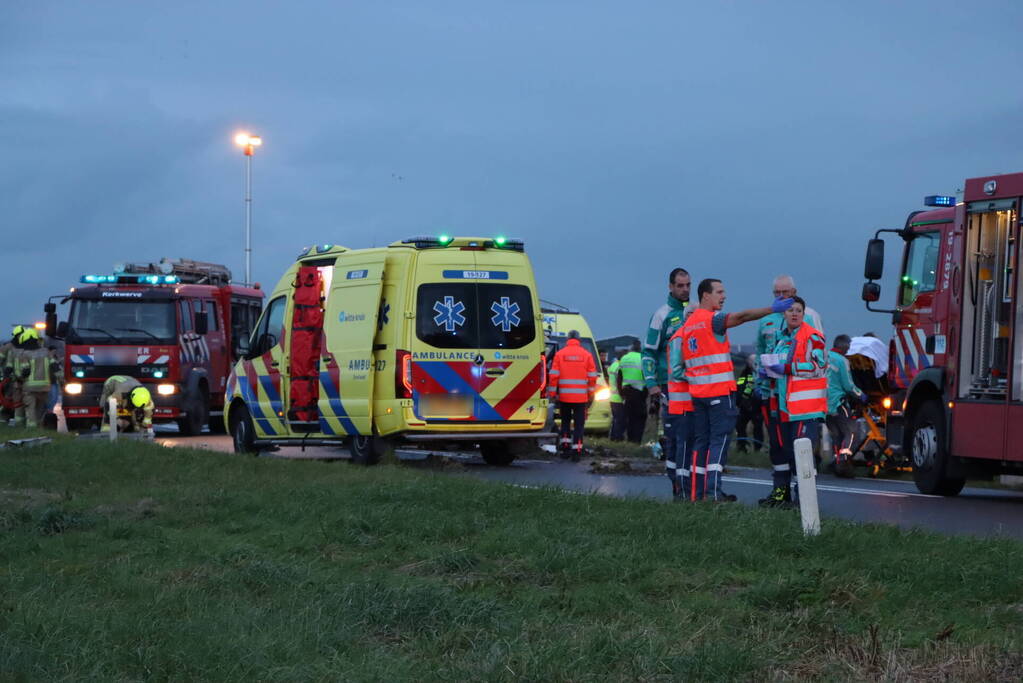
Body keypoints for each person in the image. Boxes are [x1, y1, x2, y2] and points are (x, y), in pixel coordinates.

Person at [681, 278, 793, 501]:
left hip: (698, 394)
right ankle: (713, 493)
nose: (724, 296)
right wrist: (772, 309)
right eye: (720, 292)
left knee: (701, 443)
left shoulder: (689, 325)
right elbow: (740, 317)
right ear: (705, 296)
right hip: (718, 392)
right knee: (719, 442)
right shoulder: (711, 319)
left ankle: (697, 492)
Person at [759, 297, 828, 508]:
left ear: (804, 313)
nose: (794, 314)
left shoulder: (812, 336)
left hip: (804, 409)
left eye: (798, 310)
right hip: (783, 406)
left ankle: (805, 499)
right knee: (782, 451)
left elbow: (820, 366)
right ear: (784, 314)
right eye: (790, 310)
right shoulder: (781, 339)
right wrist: (767, 372)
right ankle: (781, 494)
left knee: (802, 454)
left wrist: (789, 368)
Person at [642, 268, 691, 491]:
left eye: (688, 285)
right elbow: (648, 352)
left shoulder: (695, 312)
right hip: (669, 385)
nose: (685, 290)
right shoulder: (661, 315)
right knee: (673, 434)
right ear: (670, 287)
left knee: (692, 434)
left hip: (695, 385)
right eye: (680, 286)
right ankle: (676, 482)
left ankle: (691, 482)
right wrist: (652, 384)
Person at [547, 330, 597, 461]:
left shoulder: (559, 354)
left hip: (564, 397)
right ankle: (577, 449)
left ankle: (565, 447)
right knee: (579, 424)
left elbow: (553, 376)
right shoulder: (587, 355)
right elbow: (592, 377)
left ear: (568, 339)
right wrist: (590, 392)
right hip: (581, 398)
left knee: (565, 422)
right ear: (579, 339)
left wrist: (552, 393)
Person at [826, 334, 867, 478]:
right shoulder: (842, 361)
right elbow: (848, 385)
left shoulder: (824, 358)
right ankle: (843, 462)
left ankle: (835, 461)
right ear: (843, 346)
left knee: (836, 435)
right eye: (848, 346)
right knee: (851, 432)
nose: (849, 349)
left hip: (824, 405)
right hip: (838, 403)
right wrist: (861, 395)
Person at [618, 340, 647, 443]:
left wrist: (621, 393)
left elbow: (619, 377)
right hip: (639, 392)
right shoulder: (642, 358)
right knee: (640, 418)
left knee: (630, 418)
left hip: (627, 392)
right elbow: (647, 375)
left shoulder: (624, 358)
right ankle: (637, 440)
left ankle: (630, 440)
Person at [734, 356, 763, 453]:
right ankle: (742, 447)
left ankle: (758, 448)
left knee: (758, 427)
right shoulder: (744, 373)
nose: (753, 363)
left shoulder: (761, 372)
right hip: (744, 405)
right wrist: (739, 402)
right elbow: (740, 387)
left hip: (756, 405)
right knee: (740, 426)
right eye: (751, 361)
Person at [0, 325, 25, 423]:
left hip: (20, 379)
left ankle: (18, 421)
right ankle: (3, 420)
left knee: (20, 402)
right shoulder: (7, 347)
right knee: (6, 401)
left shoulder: (23, 347)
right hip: (8, 379)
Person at [606, 351, 626, 441]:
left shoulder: (613, 365)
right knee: (620, 420)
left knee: (615, 419)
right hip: (618, 397)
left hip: (612, 396)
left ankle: (613, 437)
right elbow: (620, 382)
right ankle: (618, 438)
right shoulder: (619, 367)